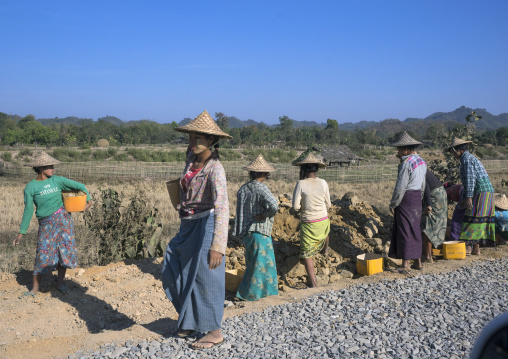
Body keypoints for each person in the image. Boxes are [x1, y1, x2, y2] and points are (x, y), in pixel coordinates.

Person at [161, 110, 231, 350]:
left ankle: (214, 331)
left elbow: (223, 207)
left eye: (197, 139)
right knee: (172, 264)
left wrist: (217, 246)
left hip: (206, 224)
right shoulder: (190, 161)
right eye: (190, 138)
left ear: (211, 141)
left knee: (206, 275)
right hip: (188, 224)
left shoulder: (215, 169)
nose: (192, 143)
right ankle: (189, 319)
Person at [13, 151, 92, 297]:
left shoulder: (58, 180)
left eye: (53, 166)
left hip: (63, 221)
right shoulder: (31, 187)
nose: (52, 168)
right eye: (50, 166)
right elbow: (28, 210)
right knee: (42, 254)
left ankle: (60, 283)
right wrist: (21, 232)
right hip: (46, 224)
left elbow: (81, 186)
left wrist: (87, 202)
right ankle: (34, 289)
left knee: (64, 251)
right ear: (41, 168)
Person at [232, 154, 279, 301]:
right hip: (260, 231)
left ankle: (247, 293)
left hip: (247, 233)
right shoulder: (261, 189)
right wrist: (265, 215)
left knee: (252, 263)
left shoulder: (243, 189)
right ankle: (257, 294)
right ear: (265, 174)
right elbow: (274, 205)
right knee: (264, 265)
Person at [447, 138, 495, 255]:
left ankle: (468, 248)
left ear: (457, 150)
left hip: (480, 192)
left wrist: (468, 197)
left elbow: (470, 180)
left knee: (471, 218)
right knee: (477, 219)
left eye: (452, 152)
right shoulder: (469, 158)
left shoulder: (467, 160)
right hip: (485, 192)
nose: (452, 155)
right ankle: (476, 249)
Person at [388, 132, 427, 272]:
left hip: (406, 198)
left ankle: (405, 264)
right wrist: (420, 198)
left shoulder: (406, 164)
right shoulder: (422, 162)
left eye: (399, 149)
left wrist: (393, 203)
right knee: (415, 228)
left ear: (405, 149)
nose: (397, 152)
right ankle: (418, 262)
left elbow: (400, 187)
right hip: (416, 197)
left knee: (404, 229)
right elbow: (423, 184)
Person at [291, 153, 331, 288]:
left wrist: (304, 207)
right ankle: (325, 250)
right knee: (325, 232)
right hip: (323, 218)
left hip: (309, 222)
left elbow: (295, 207)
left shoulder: (301, 184)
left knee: (307, 253)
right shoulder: (323, 182)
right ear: (317, 170)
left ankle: (314, 284)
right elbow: (329, 204)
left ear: (303, 171)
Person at [421, 170, 447, 262]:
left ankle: (428, 256)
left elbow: (426, 187)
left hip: (434, 196)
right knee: (434, 223)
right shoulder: (419, 165)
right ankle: (429, 253)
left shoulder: (416, 169)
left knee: (429, 223)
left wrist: (428, 205)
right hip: (440, 194)